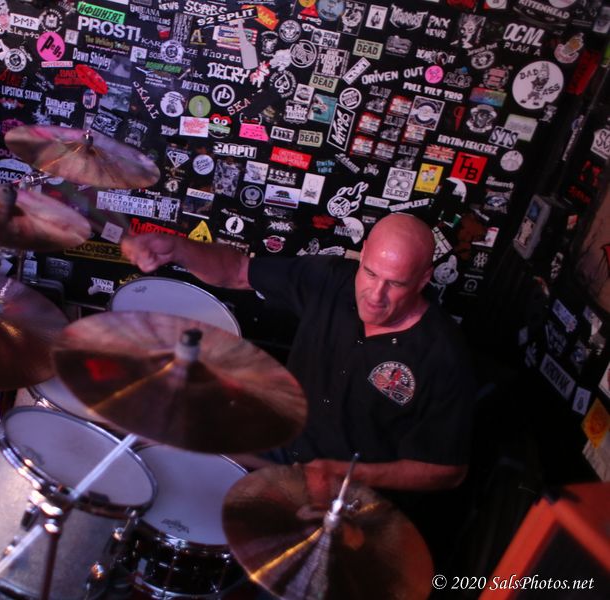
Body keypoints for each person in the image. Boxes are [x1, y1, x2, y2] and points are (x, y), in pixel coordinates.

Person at [121, 214, 476, 556]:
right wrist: (178, 249)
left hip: (348, 498)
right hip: (279, 449)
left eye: (395, 284)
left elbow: (447, 472)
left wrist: (346, 473)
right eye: (370, 273)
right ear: (364, 251)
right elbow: (237, 271)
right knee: (164, 442)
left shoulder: (443, 355)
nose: (375, 294)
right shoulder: (331, 280)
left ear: (423, 279)